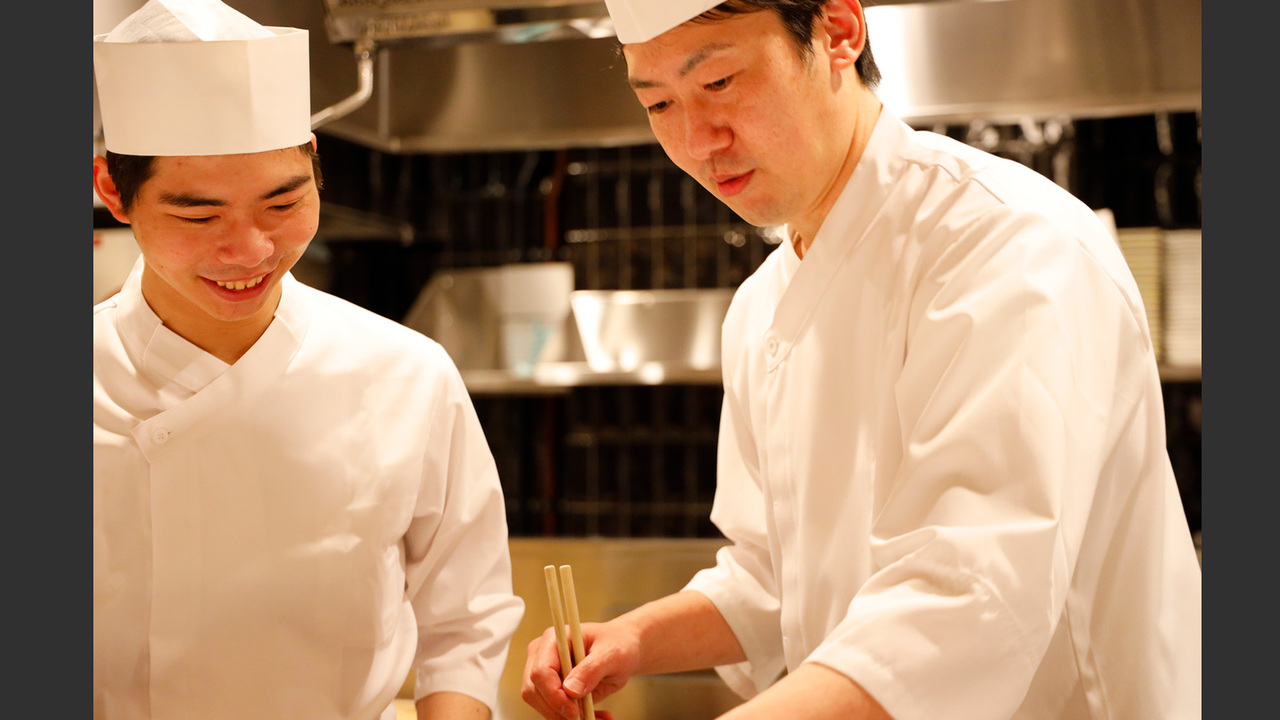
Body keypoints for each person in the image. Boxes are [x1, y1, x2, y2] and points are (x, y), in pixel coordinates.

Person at [520, 1, 1202, 719]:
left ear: (839, 32)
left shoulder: (1008, 246)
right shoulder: (763, 303)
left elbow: (968, 602)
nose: (696, 140)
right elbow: (776, 578)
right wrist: (634, 638)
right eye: (657, 102)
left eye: (719, 83)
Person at [92, 1, 524, 718]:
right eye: (200, 216)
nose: (250, 250)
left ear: (315, 167)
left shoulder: (406, 375)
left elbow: (466, 622)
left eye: (282, 203)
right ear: (112, 190)